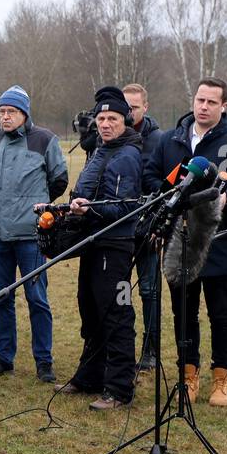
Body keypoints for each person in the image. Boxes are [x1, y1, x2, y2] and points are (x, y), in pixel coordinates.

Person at [142, 77, 227, 406]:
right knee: (184, 312)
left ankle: (222, 376)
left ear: (224, 106)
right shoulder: (171, 139)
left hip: (218, 241)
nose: (203, 107)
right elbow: (151, 175)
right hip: (178, 241)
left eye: (212, 102)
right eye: (200, 100)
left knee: (220, 312)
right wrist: (169, 193)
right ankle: (188, 374)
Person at [0, 85, 69, 381]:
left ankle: (44, 361)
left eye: (11, 112)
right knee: (1, 297)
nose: (5, 117)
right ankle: (5, 357)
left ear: (24, 113)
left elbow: (59, 180)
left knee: (37, 299)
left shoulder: (45, 140)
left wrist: (34, 204)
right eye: (2, 111)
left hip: (31, 236)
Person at [58, 87, 141, 410]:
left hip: (115, 246)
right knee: (90, 309)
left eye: (113, 119)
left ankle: (120, 388)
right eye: (102, 118)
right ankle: (89, 375)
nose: (106, 124)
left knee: (115, 313)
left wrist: (88, 208)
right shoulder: (100, 151)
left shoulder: (128, 155)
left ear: (126, 121)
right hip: (91, 242)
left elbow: (125, 208)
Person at [122, 83, 163, 376]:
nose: (128, 113)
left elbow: (164, 187)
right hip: (117, 227)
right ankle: (123, 345)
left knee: (148, 290)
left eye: (134, 107)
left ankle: (150, 351)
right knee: (120, 290)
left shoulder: (159, 141)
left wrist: (157, 224)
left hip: (148, 226)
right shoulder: (113, 137)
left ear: (145, 107)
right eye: (125, 107)